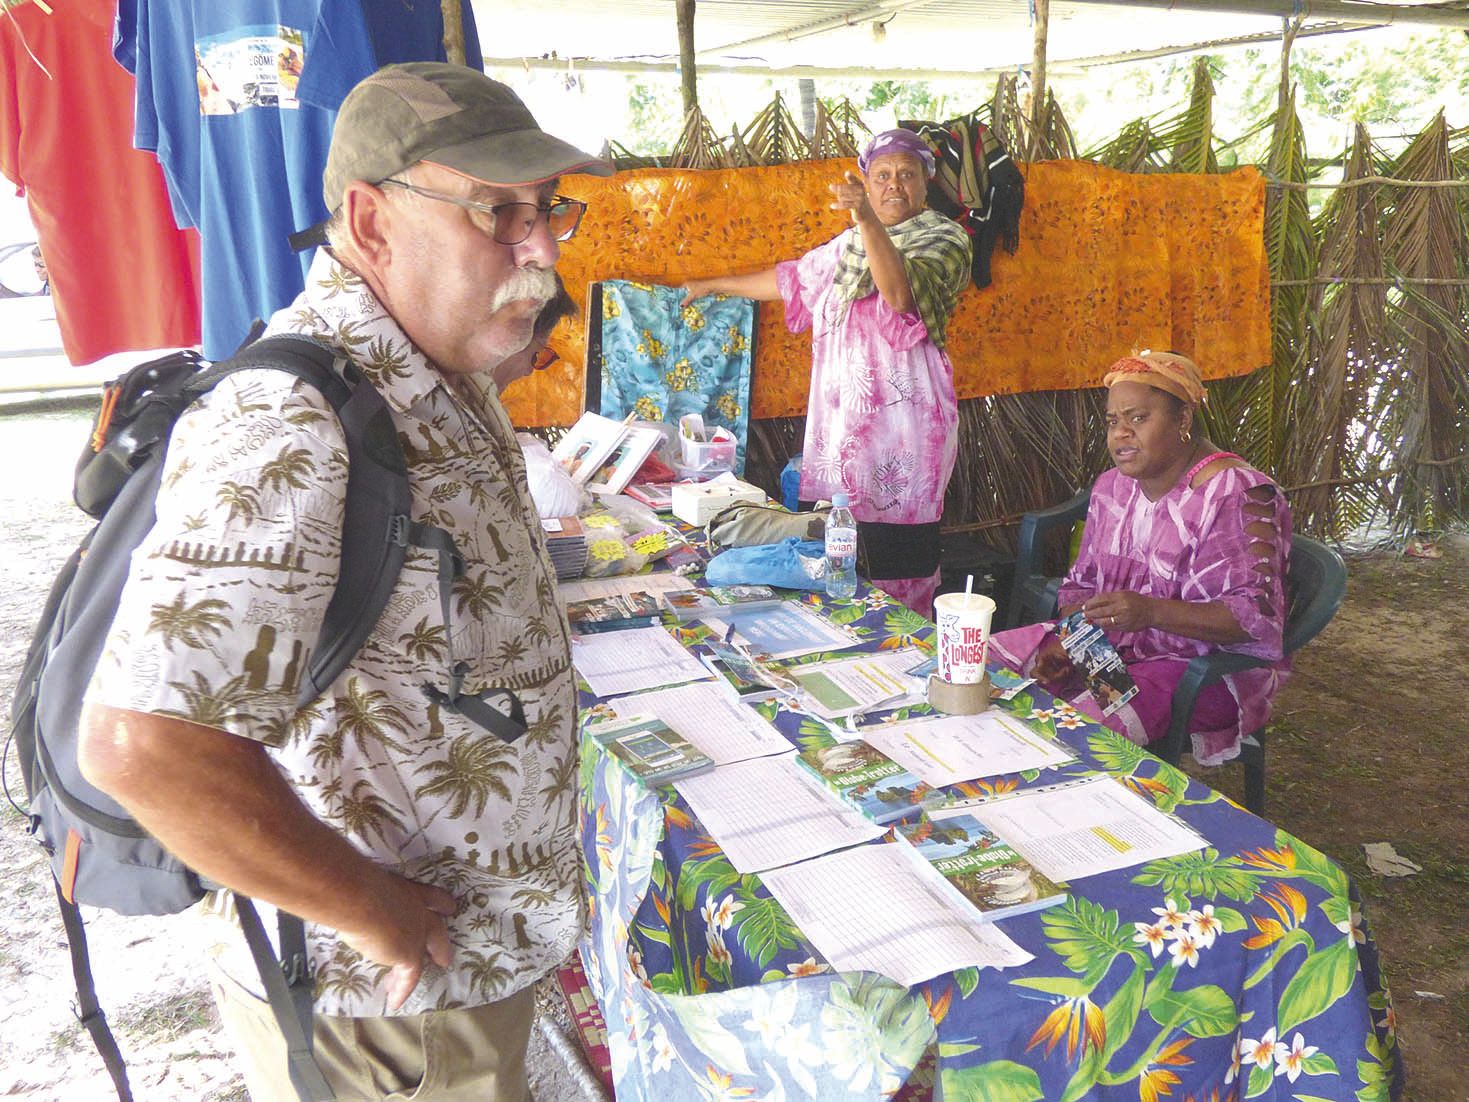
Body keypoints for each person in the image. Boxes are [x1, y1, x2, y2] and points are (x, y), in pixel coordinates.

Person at [77, 62, 611, 1100]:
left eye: (546, 211)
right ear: (369, 223)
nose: (539, 247)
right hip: (387, 1014)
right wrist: (371, 908)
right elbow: (143, 743)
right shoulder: (291, 419)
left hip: (447, 983)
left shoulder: (423, 371)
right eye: (496, 213)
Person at [682, 129, 972, 616]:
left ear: (927, 182)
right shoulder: (847, 247)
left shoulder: (945, 239)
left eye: (906, 174)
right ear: (866, 180)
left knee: (896, 560)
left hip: (904, 437)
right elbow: (791, 280)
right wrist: (712, 284)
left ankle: (906, 652)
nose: (893, 185)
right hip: (842, 434)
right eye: (881, 175)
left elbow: (900, 294)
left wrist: (864, 219)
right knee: (832, 556)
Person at [989, 351, 1293, 765]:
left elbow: (1254, 621)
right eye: (1114, 421)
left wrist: (1150, 612)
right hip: (1115, 648)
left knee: (1075, 734)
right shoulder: (1113, 488)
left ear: (1182, 420)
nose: (1121, 434)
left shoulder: (1234, 494)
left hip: (1202, 670)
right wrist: (1072, 642)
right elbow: (1081, 587)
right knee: (981, 663)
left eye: (1138, 418)